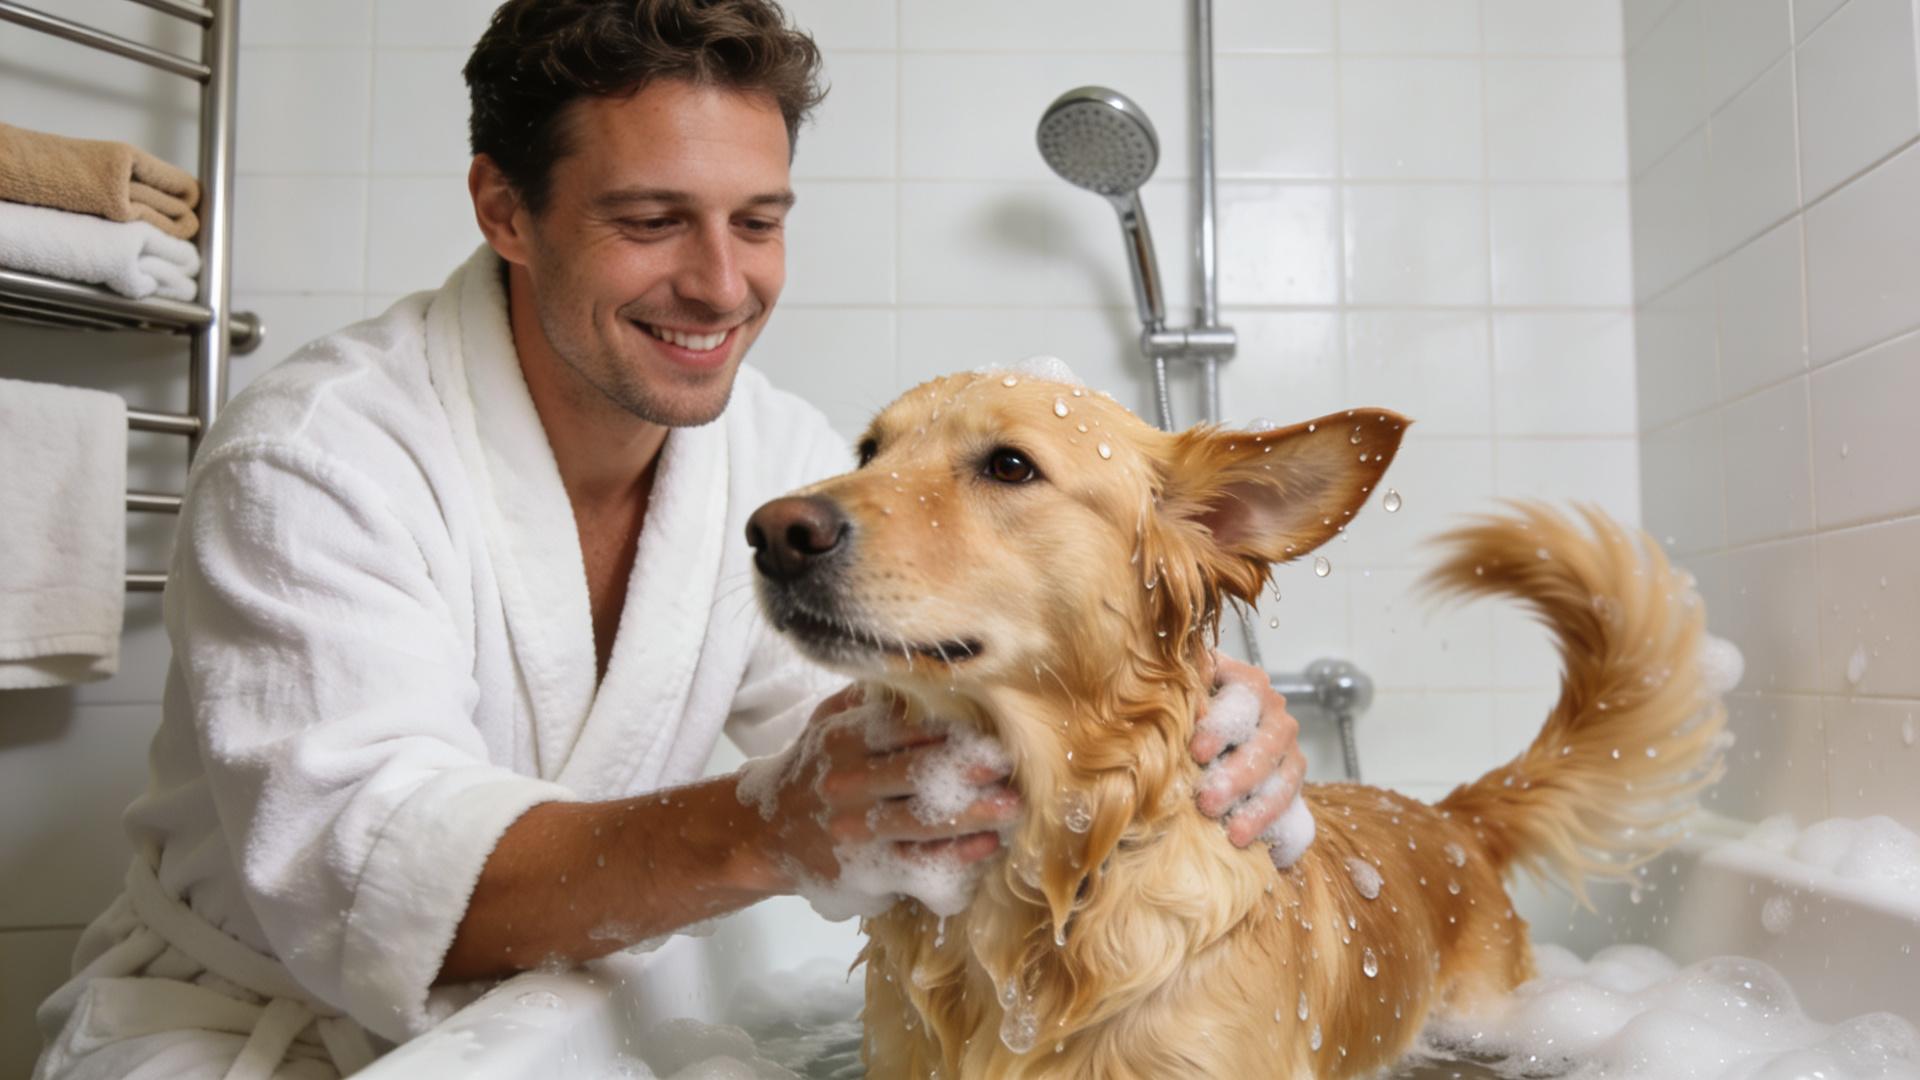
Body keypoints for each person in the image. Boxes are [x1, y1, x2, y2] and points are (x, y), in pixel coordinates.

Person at [32, 2, 1309, 1077]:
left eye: (758, 221)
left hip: (561, 1012)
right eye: (651, 222)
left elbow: (908, 731)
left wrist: (1195, 710)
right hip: (246, 1037)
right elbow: (361, 872)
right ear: (505, 209)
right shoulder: (317, 457)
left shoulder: (766, 456)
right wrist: (771, 828)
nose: (720, 285)